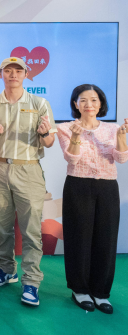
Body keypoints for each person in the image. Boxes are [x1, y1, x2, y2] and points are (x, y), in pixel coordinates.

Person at [0, 56, 56, 307]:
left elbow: (49, 142)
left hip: (28, 169)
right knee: (1, 224)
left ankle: (31, 282)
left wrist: (44, 133)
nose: (13, 75)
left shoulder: (40, 103)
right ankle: (6, 270)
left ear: (26, 74)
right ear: (0, 74)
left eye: (18, 70)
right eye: (8, 70)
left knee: (31, 229)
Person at [56, 84, 128, 314]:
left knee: (106, 238)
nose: (89, 104)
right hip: (78, 185)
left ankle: (101, 292)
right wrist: (77, 136)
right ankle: (79, 290)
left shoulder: (112, 128)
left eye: (94, 100)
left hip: (107, 187)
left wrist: (121, 137)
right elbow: (72, 159)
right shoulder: (65, 128)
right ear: (75, 104)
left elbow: (121, 158)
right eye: (83, 100)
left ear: (101, 104)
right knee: (78, 237)